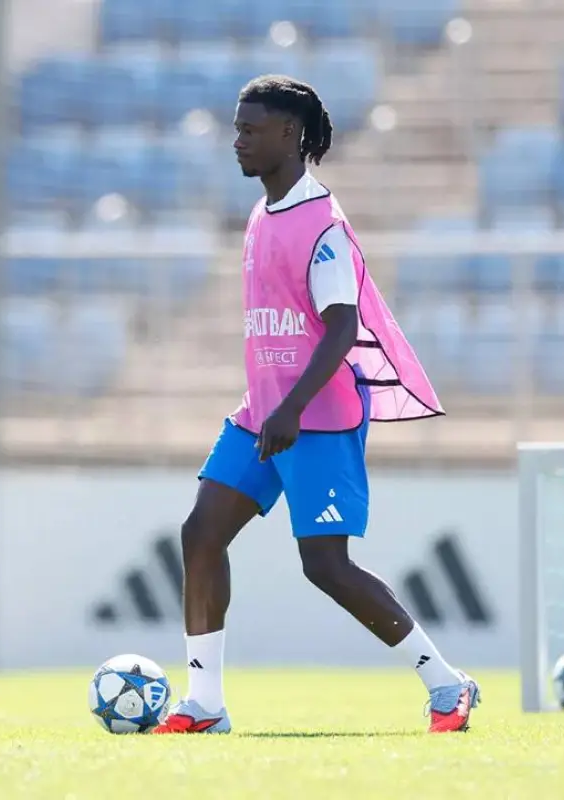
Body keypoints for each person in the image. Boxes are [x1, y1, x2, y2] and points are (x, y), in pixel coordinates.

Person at [153, 76, 479, 735]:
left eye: (251, 129)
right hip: (262, 414)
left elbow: (340, 327)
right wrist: (274, 408)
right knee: (201, 533)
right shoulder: (260, 213)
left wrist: (293, 410)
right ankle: (205, 704)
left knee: (325, 566)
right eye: (237, 127)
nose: (238, 139)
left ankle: (447, 684)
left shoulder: (323, 226)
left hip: (317, 418)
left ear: (291, 136)